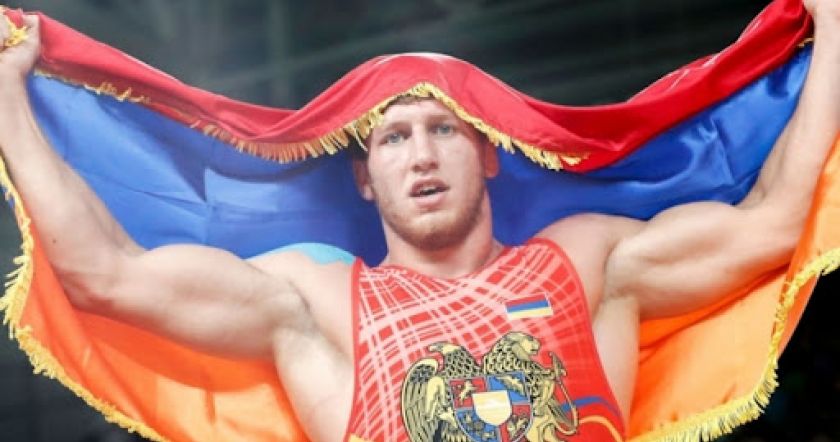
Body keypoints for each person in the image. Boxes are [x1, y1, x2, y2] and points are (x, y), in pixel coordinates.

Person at [0, 1, 838, 441]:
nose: (422, 156)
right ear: (364, 178)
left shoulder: (584, 267)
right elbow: (105, 274)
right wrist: (7, 93)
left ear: (491, 153)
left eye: (444, 129)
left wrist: (833, 28)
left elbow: (772, 223)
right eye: (394, 138)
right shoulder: (316, 303)